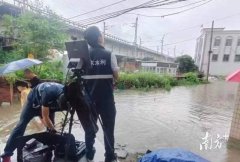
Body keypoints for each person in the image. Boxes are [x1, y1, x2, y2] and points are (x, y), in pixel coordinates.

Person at [1, 82, 67, 162]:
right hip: (32, 103)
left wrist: (53, 127)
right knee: (21, 125)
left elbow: (48, 118)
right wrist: (53, 128)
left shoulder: (68, 95)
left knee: (51, 126)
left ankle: (49, 148)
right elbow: (45, 116)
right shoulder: (48, 93)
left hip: (48, 103)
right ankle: (7, 154)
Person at [82, 26, 119, 162]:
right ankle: (109, 157)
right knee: (108, 130)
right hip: (107, 100)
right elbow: (116, 76)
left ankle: (89, 152)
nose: (103, 36)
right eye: (102, 35)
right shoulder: (110, 54)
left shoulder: (83, 57)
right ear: (98, 37)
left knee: (90, 128)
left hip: (89, 100)